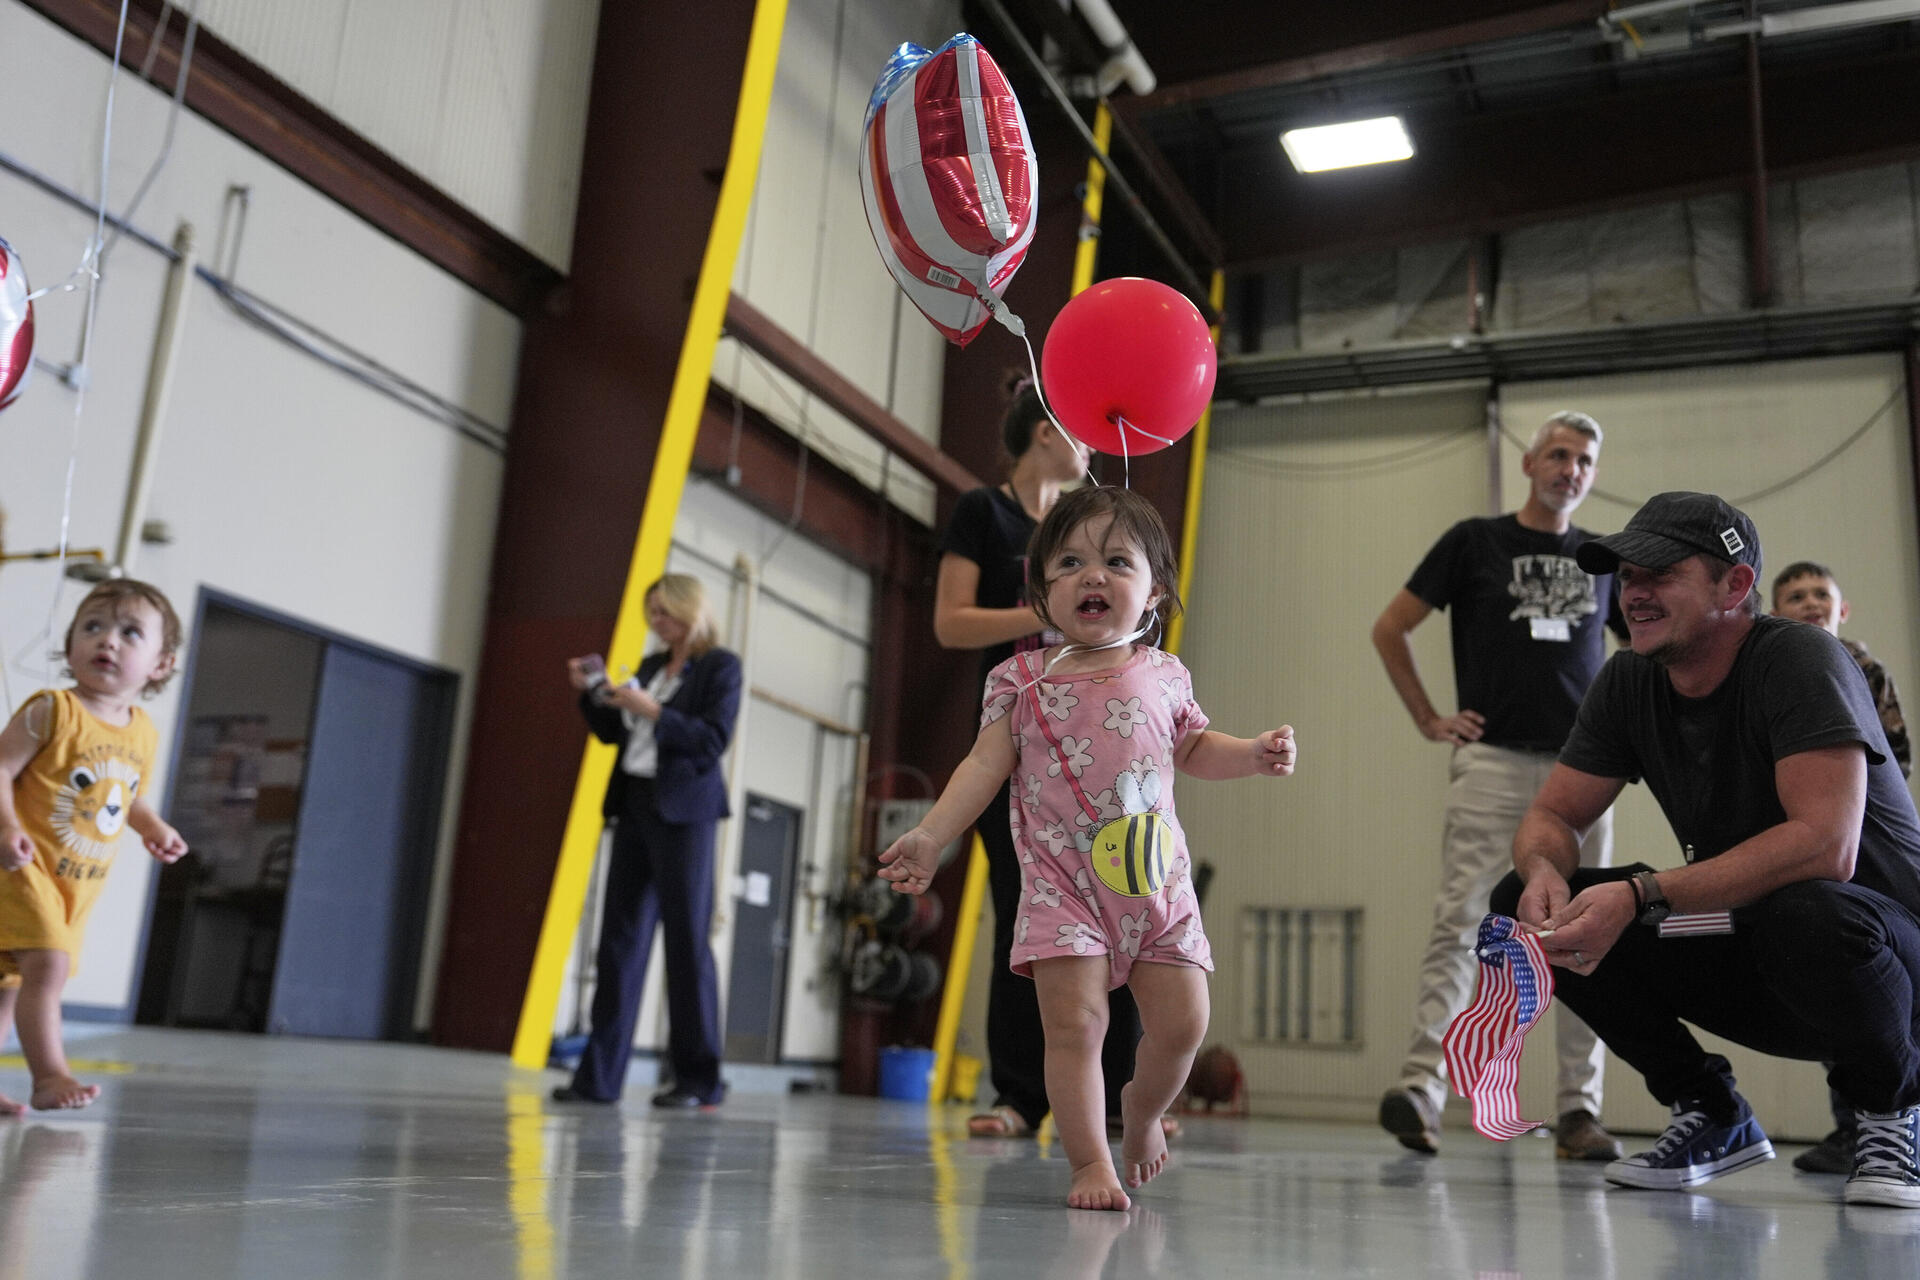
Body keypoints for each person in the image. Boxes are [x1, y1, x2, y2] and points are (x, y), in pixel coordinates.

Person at [1495, 491, 1920, 1209]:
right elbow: (1554, 814)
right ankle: (1713, 1115)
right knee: (1520, 909)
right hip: (1768, 953)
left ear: (1735, 585)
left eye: (1659, 573)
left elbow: (1826, 846)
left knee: (1803, 908)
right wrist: (1542, 871)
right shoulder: (1629, 678)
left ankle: (1891, 1113)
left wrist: (1639, 893)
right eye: (1626, 576)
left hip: (1888, 968)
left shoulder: (1798, 658)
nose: (1634, 593)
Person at [882, 485, 1298, 1210]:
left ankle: (1139, 1108)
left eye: (1116, 561)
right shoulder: (1020, 680)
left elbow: (1195, 746)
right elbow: (982, 767)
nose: (1092, 575)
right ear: (1042, 596)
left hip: (1155, 885)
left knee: (1185, 1023)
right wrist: (929, 836)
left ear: (1155, 595)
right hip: (1061, 888)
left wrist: (1254, 753)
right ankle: (1088, 1164)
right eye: (1069, 562)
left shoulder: (1165, 674)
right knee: (1073, 1028)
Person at [1371, 411, 1625, 1160]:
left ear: (1591, 476)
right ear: (1528, 464)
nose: (1569, 469)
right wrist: (1428, 717)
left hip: (1583, 775)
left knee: (1584, 936)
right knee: (1462, 921)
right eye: (1557, 454)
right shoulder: (1474, 542)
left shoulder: (1603, 558)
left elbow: (1640, 649)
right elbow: (1391, 627)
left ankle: (1580, 1112)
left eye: (1583, 460)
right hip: (1492, 763)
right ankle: (1421, 1089)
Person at [935, 379, 1164, 1142]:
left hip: (1107, 753)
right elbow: (951, 622)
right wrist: (1046, 608)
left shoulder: (1091, 527)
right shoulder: (984, 513)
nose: (1092, 448)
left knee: (1126, 918)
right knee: (1025, 922)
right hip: (1024, 748)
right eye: (1080, 433)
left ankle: (1122, 1098)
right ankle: (1021, 1095)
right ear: (1041, 433)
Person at [551, 573, 742, 1108]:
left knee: (686, 946)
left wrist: (654, 711)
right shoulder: (653, 667)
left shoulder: (721, 667)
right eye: (651, 612)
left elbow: (713, 739)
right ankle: (599, 1080)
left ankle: (700, 1081)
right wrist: (594, 694)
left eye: (664, 611)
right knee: (619, 945)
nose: (656, 622)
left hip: (686, 816)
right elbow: (615, 732)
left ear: (691, 610)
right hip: (634, 807)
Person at [0, 579, 187, 1112]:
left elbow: (128, 796)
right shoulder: (53, 710)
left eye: (130, 632)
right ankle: (50, 1076)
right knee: (48, 967)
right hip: (21, 866)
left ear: (160, 665)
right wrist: (6, 827)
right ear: (70, 645)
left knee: (11, 984)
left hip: (74, 883)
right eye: (93, 627)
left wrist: (153, 826)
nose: (108, 641)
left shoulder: (142, 733)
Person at [1771, 559, 1914, 1174]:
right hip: (1802, 845)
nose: (1809, 603)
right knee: (1831, 990)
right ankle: (1849, 1126)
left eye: (1820, 594)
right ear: (1774, 611)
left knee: (1882, 992)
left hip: (1867, 848)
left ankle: (1892, 1122)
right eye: (1795, 595)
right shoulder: (1770, 675)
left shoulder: (1865, 670)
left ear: (1842, 609)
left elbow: (1894, 760)